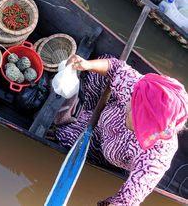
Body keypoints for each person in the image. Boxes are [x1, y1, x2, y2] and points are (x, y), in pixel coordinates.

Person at [54, 54, 188, 206]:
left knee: (64, 137)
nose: (128, 103)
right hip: (103, 118)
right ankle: (87, 109)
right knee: (102, 64)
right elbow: (115, 68)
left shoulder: (154, 158)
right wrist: (86, 64)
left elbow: (129, 199)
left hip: (106, 149)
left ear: (143, 123)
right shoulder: (142, 93)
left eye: (133, 108)